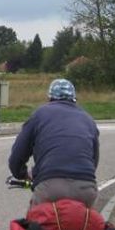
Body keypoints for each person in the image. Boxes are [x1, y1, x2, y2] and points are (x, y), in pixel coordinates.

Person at [8, 78, 100, 208]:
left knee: (35, 219)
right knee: (87, 219)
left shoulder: (40, 115)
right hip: (86, 188)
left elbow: (18, 154)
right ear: (74, 98)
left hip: (50, 187)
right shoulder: (88, 119)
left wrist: (22, 174)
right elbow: (94, 159)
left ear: (50, 98)